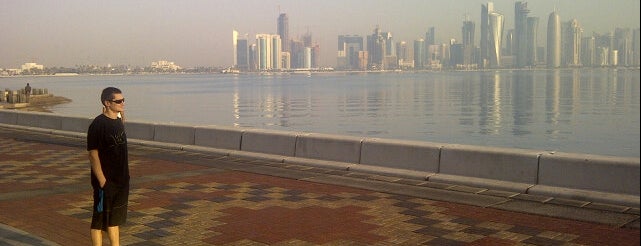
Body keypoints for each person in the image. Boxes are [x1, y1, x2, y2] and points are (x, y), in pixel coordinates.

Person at [87, 87, 129, 246]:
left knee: (115, 218)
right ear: (107, 103)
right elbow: (93, 154)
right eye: (118, 101)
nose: (122, 103)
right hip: (105, 182)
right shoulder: (98, 124)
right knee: (99, 218)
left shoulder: (118, 121)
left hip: (121, 180)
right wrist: (102, 181)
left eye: (123, 100)